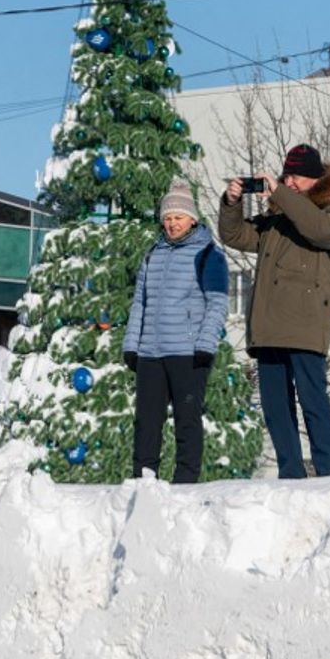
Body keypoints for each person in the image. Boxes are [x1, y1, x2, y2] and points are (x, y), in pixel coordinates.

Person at [219, 144, 330, 479]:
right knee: (276, 406)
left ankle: (329, 472)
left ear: (316, 178)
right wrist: (231, 203)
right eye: (286, 175)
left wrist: (281, 194)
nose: (290, 182)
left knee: (312, 401)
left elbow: (321, 231)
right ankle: (290, 472)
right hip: (269, 324)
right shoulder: (276, 217)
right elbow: (234, 234)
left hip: (306, 324)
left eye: (297, 176)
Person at [123, 179, 229, 484]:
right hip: (150, 354)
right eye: (167, 218)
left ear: (192, 219)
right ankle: (143, 481)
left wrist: (205, 345)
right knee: (146, 422)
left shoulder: (209, 254)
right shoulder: (152, 254)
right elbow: (140, 303)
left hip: (187, 352)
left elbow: (218, 303)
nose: (172, 224)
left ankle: (185, 484)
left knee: (187, 421)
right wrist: (132, 345)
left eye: (178, 218)